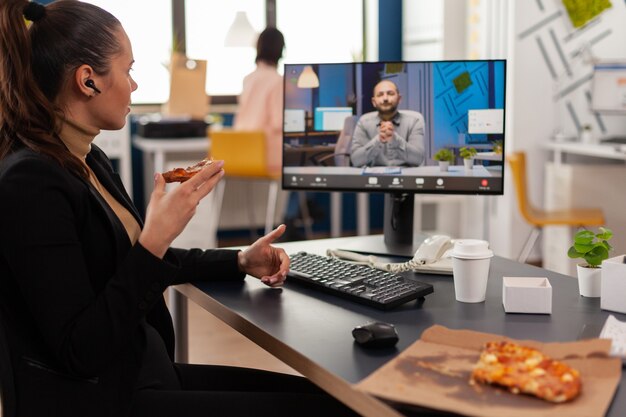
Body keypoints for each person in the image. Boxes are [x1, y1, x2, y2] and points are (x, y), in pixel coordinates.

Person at [0, 2, 358, 417]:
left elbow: (133, 261)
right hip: (105, 397)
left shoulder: (85, 158)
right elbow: (81, 349)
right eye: (128, 70)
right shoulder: (29, 184)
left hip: (142, 370)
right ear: (88, 81)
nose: (134, 85)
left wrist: (240, 260)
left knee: (337, 399)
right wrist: (155, 237)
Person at [233, 27, 285, 173]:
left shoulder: (247, 79)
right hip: (265, 155)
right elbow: (278, 122)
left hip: (241, 151)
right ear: (280, 51)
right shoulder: (278, 81)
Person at [350, 79, 426, 167]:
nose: (385, 98)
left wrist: (395, 140)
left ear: (399, 99)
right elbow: (356, 160)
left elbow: (418, 159)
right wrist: (378, 140)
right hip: (373, 178)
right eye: (380, 95)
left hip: (406, 177)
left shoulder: (414, 121)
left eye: (390, 93)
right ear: (374, 102)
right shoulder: (363, 122)